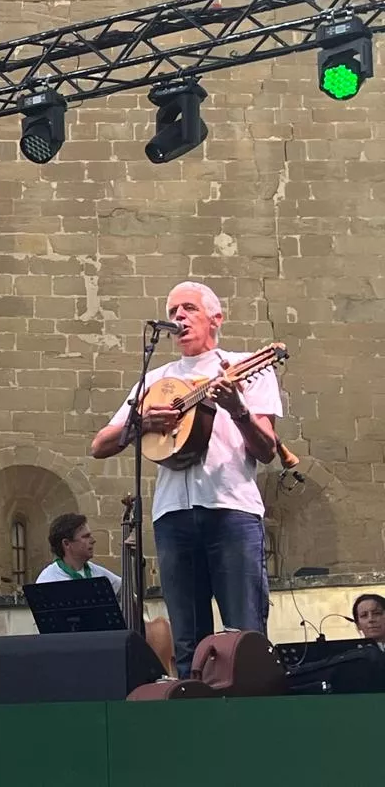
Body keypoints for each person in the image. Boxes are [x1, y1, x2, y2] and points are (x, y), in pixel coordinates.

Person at [90, 281, 281, 678]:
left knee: (244, 634)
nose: (178, 317)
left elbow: (266, 450)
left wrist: (238, 409)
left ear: (216, 318)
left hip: (232, 510)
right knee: (187, 641)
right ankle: (196, 716)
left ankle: (255, 717)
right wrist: (141, 422)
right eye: (173, 310)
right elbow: (100, 444)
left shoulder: (244, 367)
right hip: (172, 515)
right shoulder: (155, 380)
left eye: (189, 308)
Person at [36, 512, 122, 594]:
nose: (93, 541)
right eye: (86, 537)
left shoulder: (99, 574)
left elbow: (126, 592)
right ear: (66, 543)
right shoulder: (47, 579)